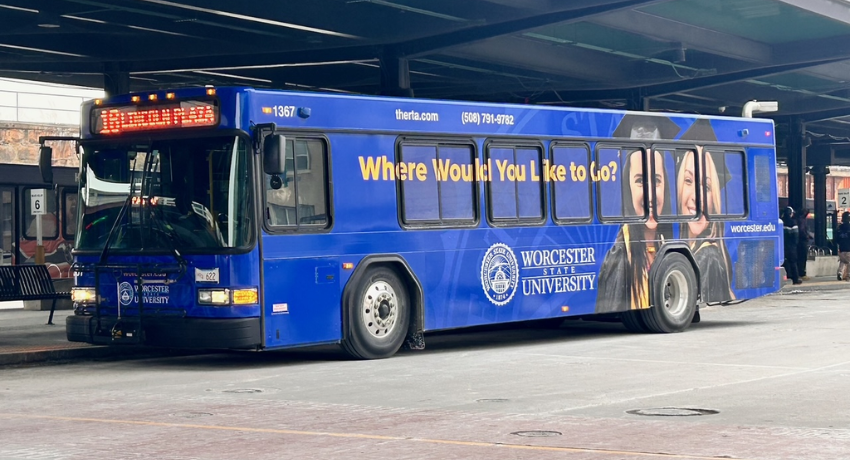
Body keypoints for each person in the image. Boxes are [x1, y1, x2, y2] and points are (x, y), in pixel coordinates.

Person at [596, 148, 672, 312]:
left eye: (657, 180)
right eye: (640, 181)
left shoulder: (665, 244)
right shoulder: (620, 258)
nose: (650, 196)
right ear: (628, 189)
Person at [676, 149, 735, 302]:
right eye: (688, 181)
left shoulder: (709, 258)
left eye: (707, 188)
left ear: (714, 202)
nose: (696, 197)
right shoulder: (691, 248)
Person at [782, 206, 802, 285]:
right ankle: (795, 279)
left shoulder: (781, 222)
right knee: (793, 262)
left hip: (783, 246)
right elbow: (796, 237)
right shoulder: (794, 223)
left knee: (784, 262)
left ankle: (786, 276)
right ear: (791, 214)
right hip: (792, 247)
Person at [796, 208, 811, 280]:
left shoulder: (797, 219)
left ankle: (800, 272)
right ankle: (802, 273)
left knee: (799, 257)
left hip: (798, 241)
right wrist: (807, 236)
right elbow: (802, 230)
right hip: (802, 241)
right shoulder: (802, 220)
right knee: (803, 257)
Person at [836, 211, 850, 281]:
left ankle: (840, 272)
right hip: (848, 248)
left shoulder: (839, 228)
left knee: (842, 261)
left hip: (841, 248)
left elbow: (837, 238)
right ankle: (848, 275)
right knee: (848, 262)